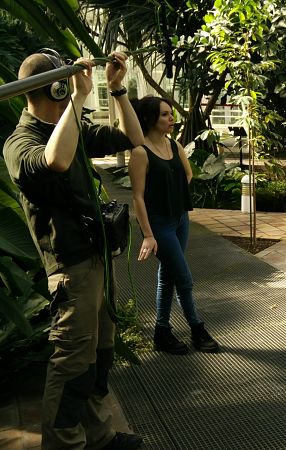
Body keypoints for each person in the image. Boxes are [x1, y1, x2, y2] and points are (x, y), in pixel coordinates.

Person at [3, 50, 145, 449]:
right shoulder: (20, 142)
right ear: (57, 88)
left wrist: (116, 89)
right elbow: (57, 160)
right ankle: (64, 443)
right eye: (64, 86)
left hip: (96, 258)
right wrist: (79, 98)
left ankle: (99, 435)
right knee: (72, 364)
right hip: (70, 268)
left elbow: (131, 138)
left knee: (99, 354)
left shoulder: (71, 127)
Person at [128, 96, 219, 355]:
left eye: (171, 114)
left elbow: (188, 173)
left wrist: (173, 195)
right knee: (183, 279)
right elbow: (138, 198)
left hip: (180, 220)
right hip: (159, 225)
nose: (171, 119)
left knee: (168, 275)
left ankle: (162, 332)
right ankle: (196, 328)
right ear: (150, 119)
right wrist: (148, 235)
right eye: (165, 114)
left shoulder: (174, 145)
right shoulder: (140, 152)